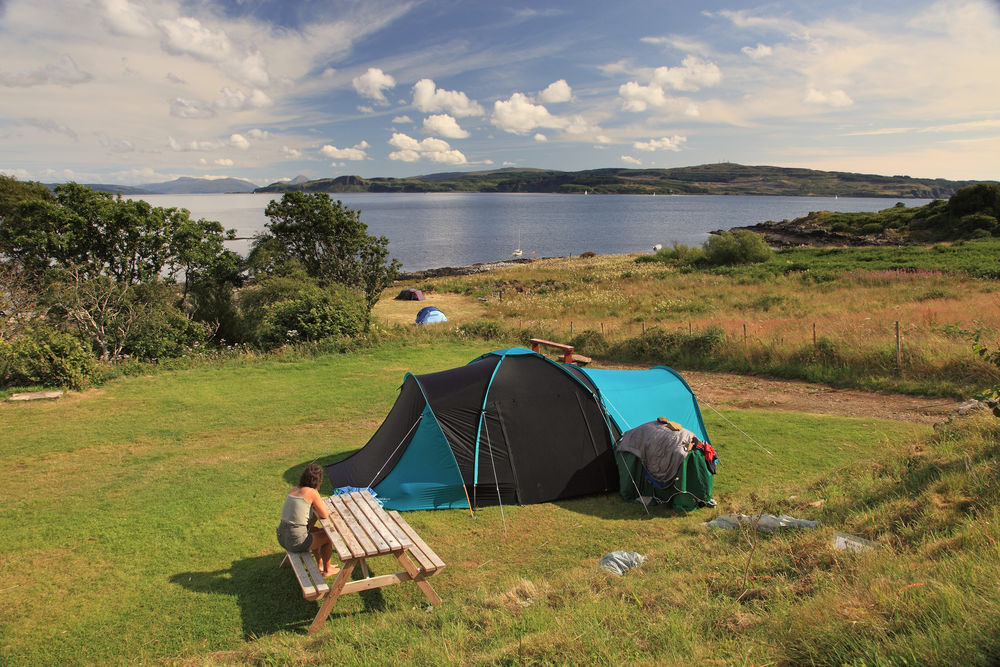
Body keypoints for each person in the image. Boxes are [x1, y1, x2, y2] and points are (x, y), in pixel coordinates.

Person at [277, 463, 337, 577]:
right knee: (328, 536)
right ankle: (328, 569)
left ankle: (320, 564)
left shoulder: (293, 489)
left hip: (282, 537)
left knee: (313, 530)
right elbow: (324, 515)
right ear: (318, 481)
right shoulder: (312, 492)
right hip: (295, 541)